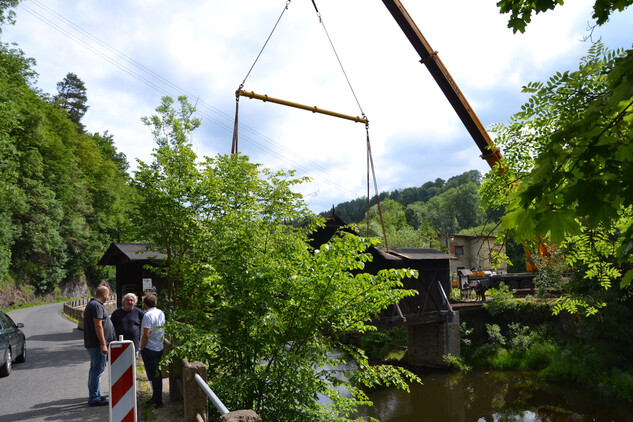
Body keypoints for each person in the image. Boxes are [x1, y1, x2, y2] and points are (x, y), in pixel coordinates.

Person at [83, 285, 116, 406]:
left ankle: (95, 395)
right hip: (97, 344)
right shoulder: (97, 305)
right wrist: (103, 344)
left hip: (94, 343)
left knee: (95, 370)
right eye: (108, 294)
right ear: (104, 294)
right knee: (97, 370)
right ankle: (94, 398)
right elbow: (98, 325)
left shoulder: (92, 304)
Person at [140, 294, 165, 408]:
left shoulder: (147, 315)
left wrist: (142, 347)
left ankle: (158, 401)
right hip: (159, 347)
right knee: (157, 374)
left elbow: (146, 334)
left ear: (145, 304)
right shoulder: (160, 312)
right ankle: (155, 397)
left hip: (150, 348)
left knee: (153, 375)